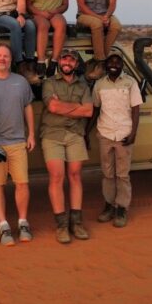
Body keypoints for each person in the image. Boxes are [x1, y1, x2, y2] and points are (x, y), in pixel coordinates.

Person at [0, 43, 36, 245]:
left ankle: (22, 222)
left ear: (11, 60)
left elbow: (28, 107)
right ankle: (3, 226)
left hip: (19, 141)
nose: (2, 59)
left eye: (6, 56)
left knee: (22, 183)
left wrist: (31, 134)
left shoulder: (21, 82)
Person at [40, 49, 94, 243]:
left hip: (75, 134)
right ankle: (62, 225)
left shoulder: (83, 85)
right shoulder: (49, 82)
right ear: (59, 62)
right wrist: (76, 108)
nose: (67, 62)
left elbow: (89, 111)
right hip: (52, 134)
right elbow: (52, 107)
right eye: (64, 58)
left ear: (76, 64)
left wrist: (64, 107)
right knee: (56, 176)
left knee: (75, 175)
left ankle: (76, 222)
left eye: (71, 60)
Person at [93, 54, 142, 228]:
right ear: (106, 65)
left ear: (122, 65)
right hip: (105, 133)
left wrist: (133, 132)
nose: (114, 65)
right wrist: (85, 132)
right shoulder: (99, 85)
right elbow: (96, 110)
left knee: (122, 175)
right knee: (107, 174)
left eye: (117, 62)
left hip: (124, 134)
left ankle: (121, 208)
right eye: (111, 62)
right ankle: (108, 206)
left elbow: (136, 109)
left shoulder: (130, 83)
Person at [26, 0, 69, 78]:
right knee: (43, 25)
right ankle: (41, 61)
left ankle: (54, 61)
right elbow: (28, 5)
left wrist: (55, 11)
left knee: (61, 24)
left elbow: (65, 4)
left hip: (54, 13)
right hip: (37, 13)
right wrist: (41, 13)